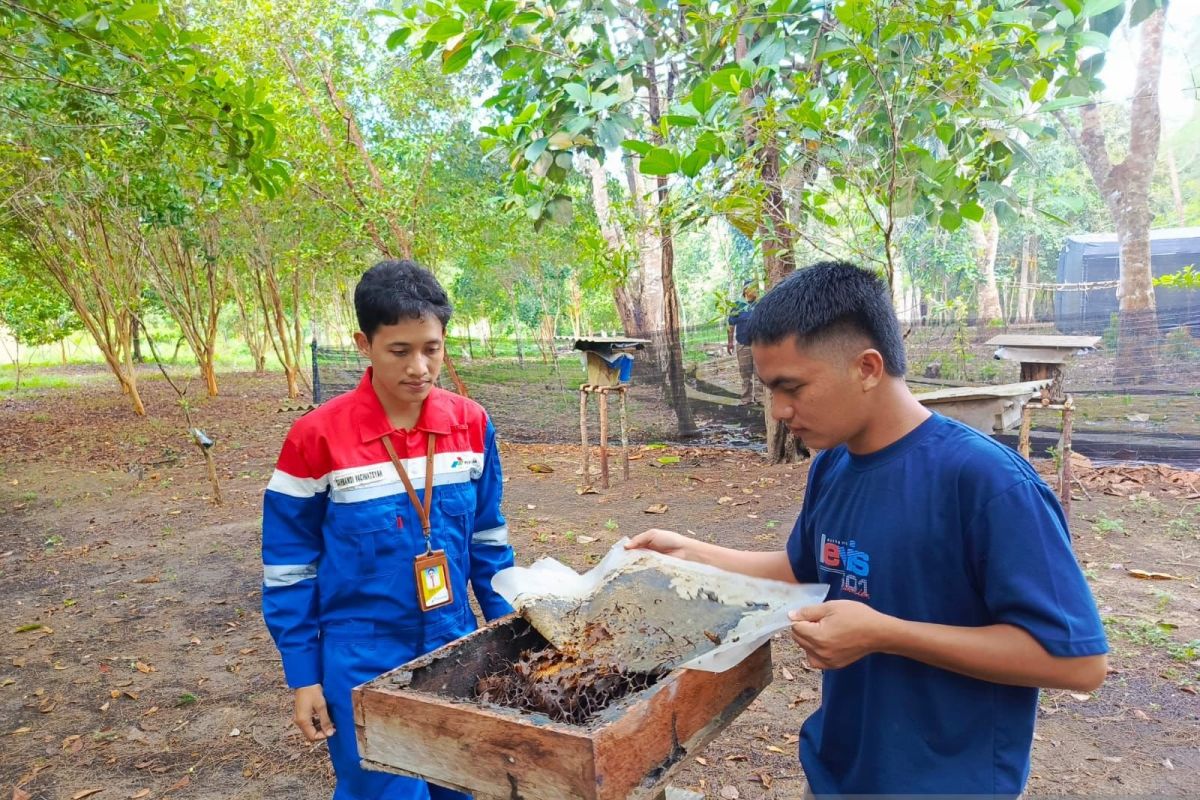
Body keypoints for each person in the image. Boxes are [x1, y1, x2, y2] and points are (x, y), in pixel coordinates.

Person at [631, 261, 1107, 798]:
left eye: (792, 387)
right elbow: (804, 570)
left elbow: (1079, 662)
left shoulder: (986, 483)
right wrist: (689, 553)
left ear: (867, 367)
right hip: (839, 773)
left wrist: (884, 633)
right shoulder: (832, 466)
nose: (780, 409)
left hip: (945, 784)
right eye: (770, 389)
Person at [262, 260, 514, 800]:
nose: (419, 367)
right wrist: (304, 677)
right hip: (361, 658)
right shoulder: (315, 438)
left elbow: (489, 541)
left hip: (457, 642)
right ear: (364, 343)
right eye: (400, 351)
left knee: (463, 783)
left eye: (432, 348)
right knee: (382, 793)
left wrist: (509, 638)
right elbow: (288, 569)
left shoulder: (472, 425)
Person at [726, 281, 760, 404]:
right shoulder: (737, 306)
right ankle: (746, 399)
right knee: (745, 373)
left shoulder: (760, 305)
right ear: (746, 291)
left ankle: (760, 399)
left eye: (756, 288)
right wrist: (730, 342)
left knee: (759, 373)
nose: (756, 290)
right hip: (742, 344)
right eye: (753, 288)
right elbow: (730, 324)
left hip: (758, 345)